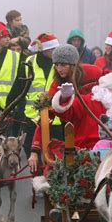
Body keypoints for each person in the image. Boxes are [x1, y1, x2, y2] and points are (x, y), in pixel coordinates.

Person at [27, 44, 102, 172]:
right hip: (72, 133)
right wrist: (35, 150)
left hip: (98, 126)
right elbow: (45, 118)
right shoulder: (56, 84)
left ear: (73, 64)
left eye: (63, 64)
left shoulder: (93, 72)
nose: (59, 68)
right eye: (56, 65)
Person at [50, 71, 112, 149]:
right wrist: (64, 97)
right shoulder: (88, 102)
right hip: (89, 156)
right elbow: (65, 113)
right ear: (105, 90)